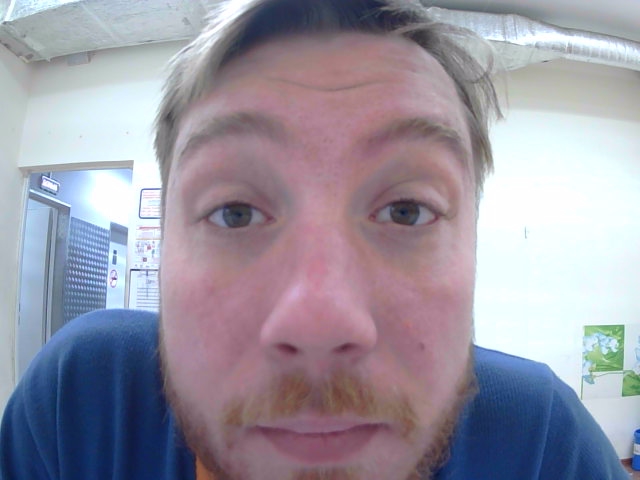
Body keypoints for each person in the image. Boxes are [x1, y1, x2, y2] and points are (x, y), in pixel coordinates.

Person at [0, 0, 629, 479]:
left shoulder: (542, 444)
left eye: (407, 211)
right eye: (235, 213)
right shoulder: (81, 405)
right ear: (164, 245)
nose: (321, 321)